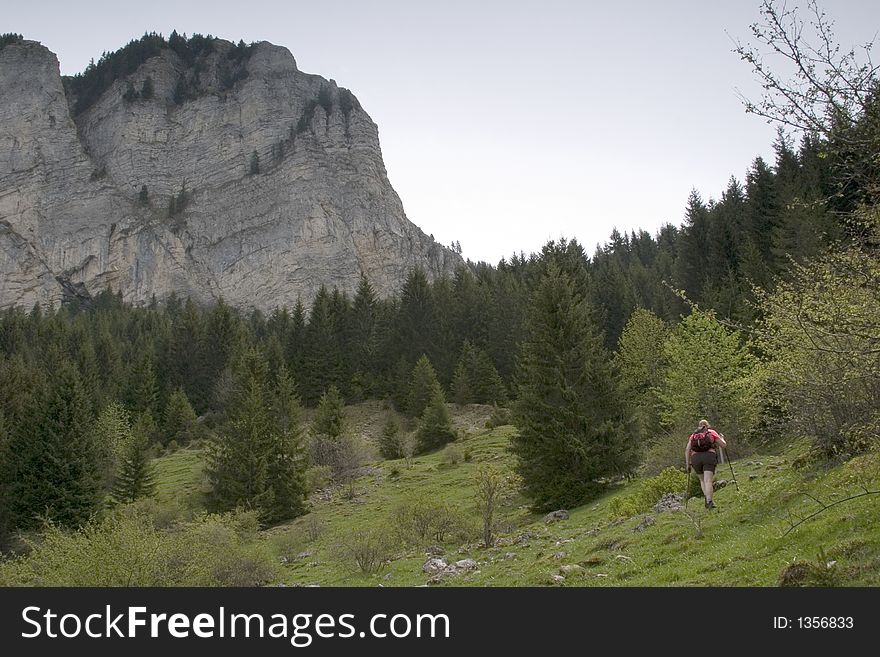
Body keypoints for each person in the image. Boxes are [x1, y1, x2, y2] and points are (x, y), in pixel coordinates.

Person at [685, 419, 727, 509]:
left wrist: (688, 464)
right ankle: (709, 501)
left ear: (699, 426)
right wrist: (722, 438)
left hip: (695, 458)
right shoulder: (711, 432)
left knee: (702, 480)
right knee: (708, 480)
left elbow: (687, 449)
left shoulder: (693, 436)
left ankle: (707, 499)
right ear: (707, 425)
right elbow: (723, 445)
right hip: (709, 456)